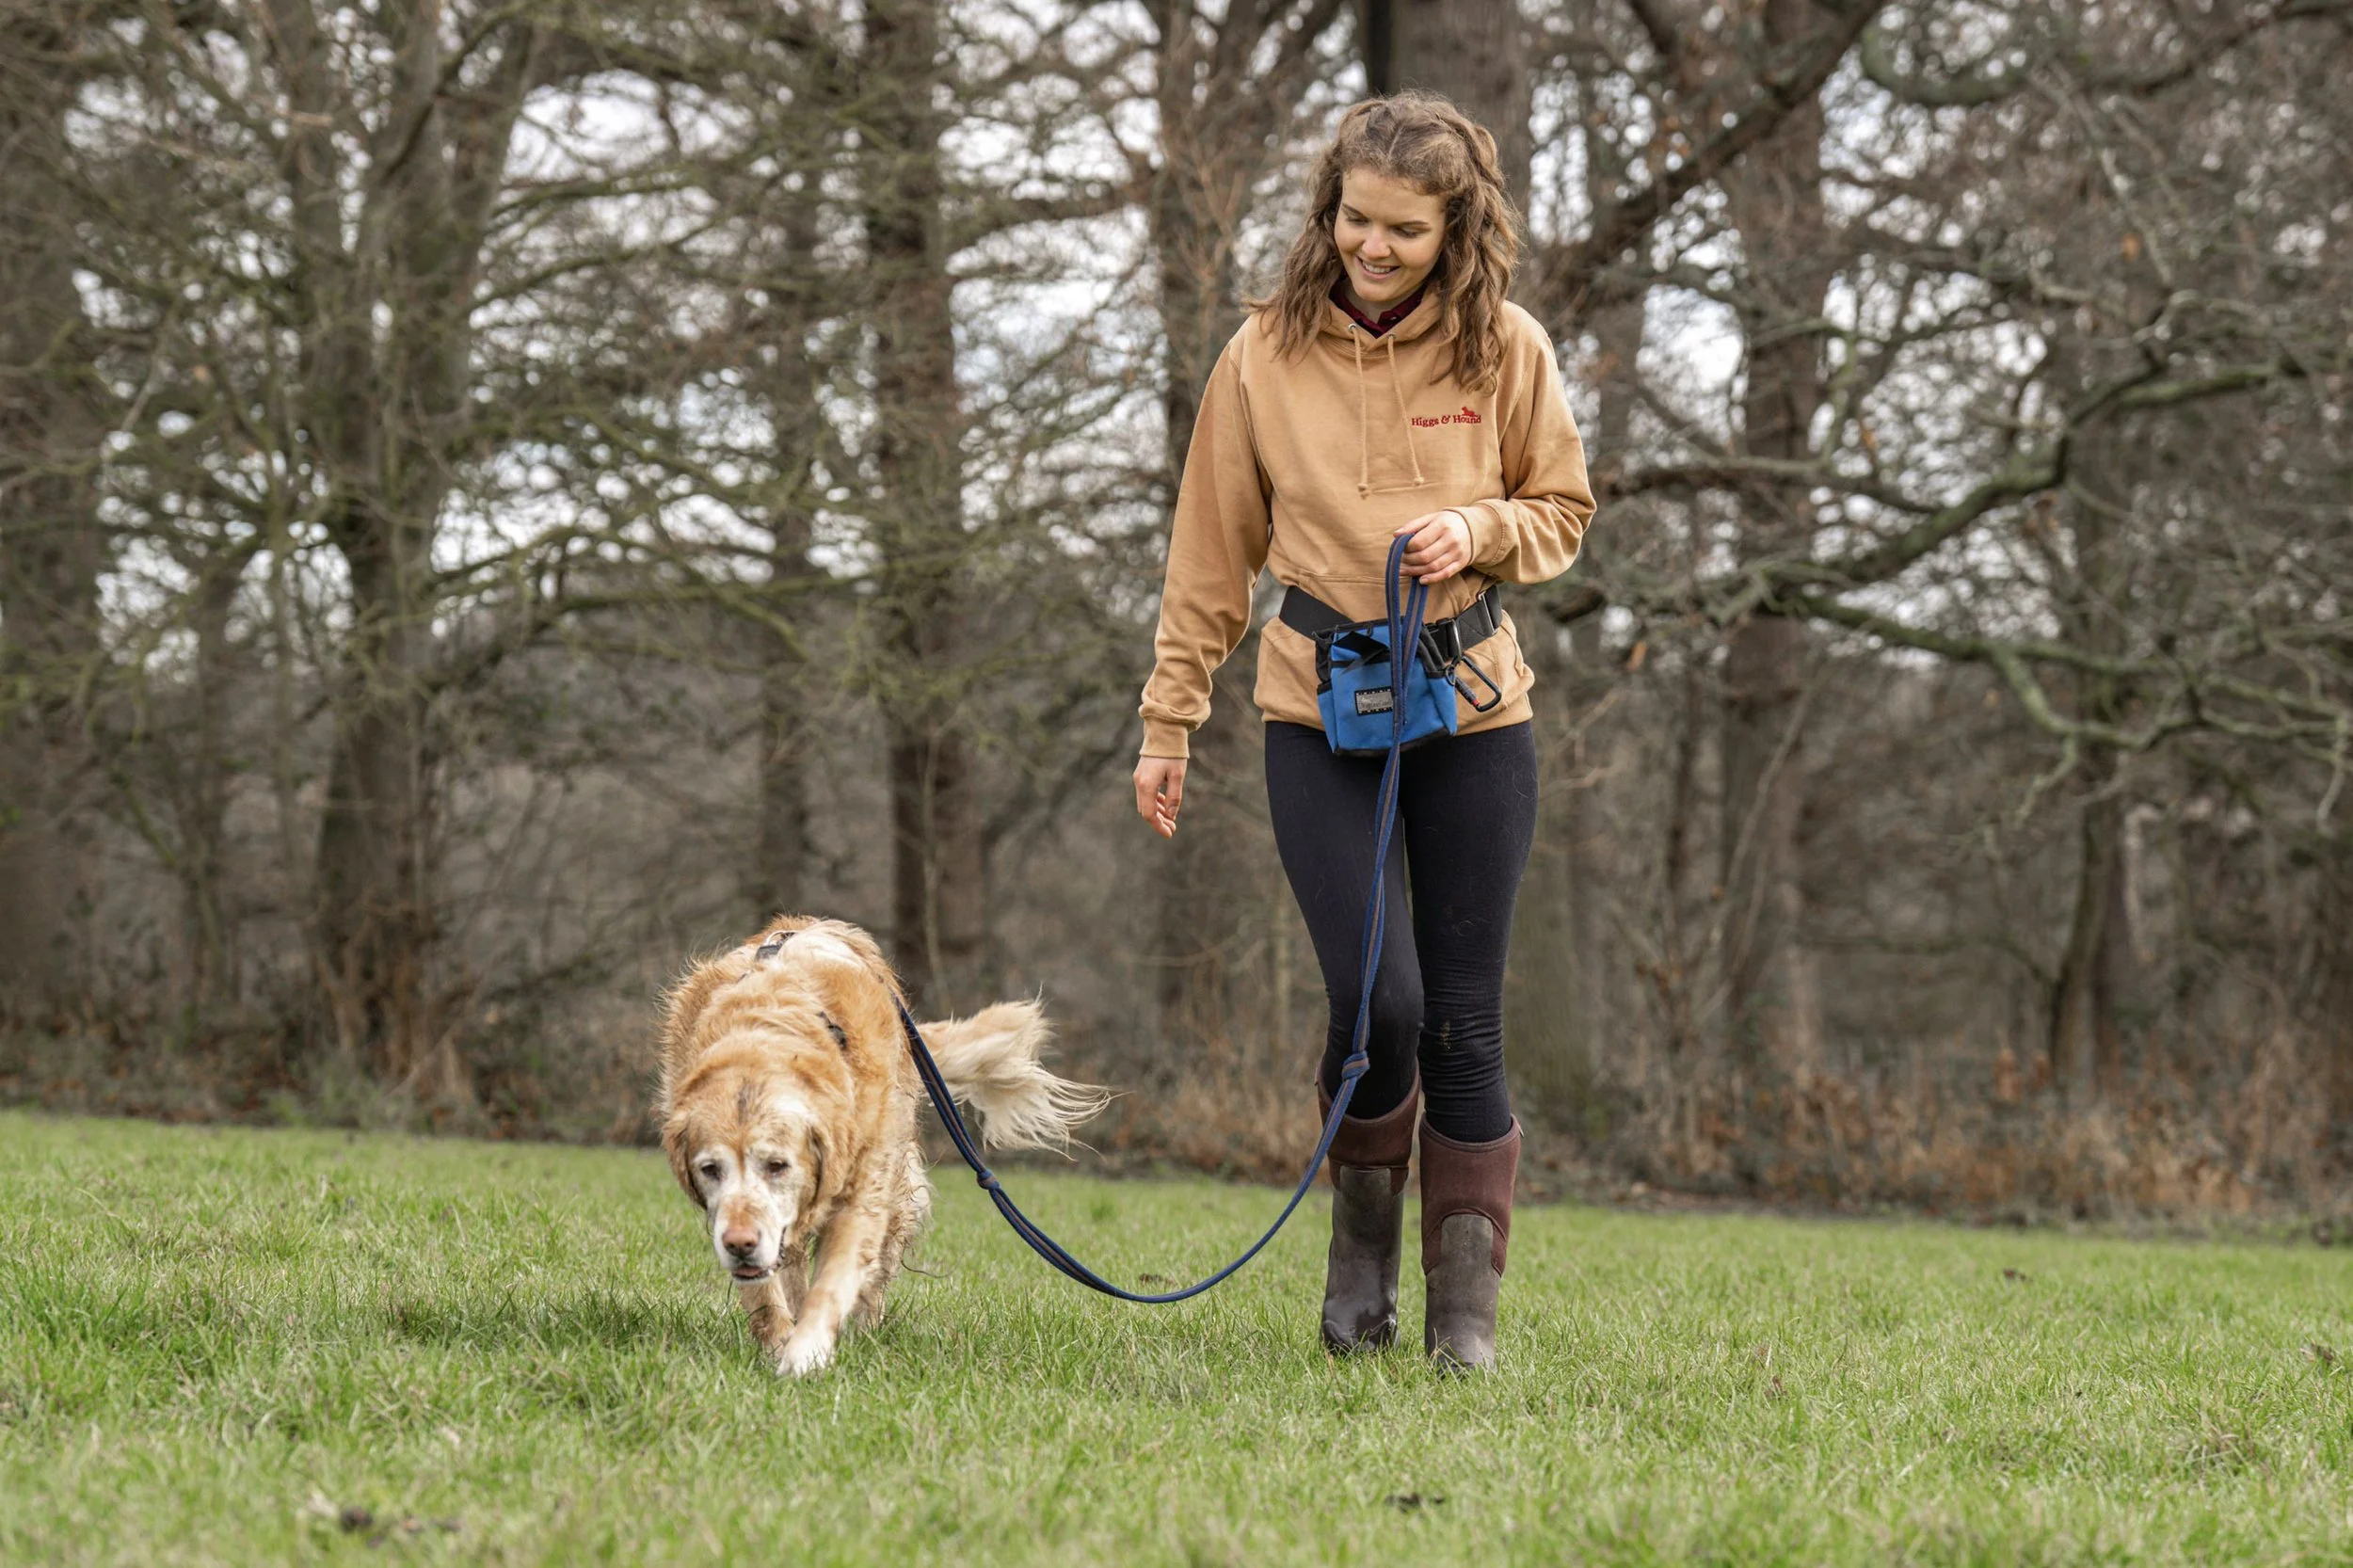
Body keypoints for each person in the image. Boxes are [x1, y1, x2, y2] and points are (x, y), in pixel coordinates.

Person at [1130, 92, 1595, 1370]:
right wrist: (1170, 720)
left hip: (1476, 712)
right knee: (1374, 999)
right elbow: (1207, 559)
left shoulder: (1507, 350)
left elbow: (1561, 507)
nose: (1372, 247)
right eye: (1354, 219)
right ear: (1326, 210)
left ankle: (1463, 1319)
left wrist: (1483, 528)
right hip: (1315, 713)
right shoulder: (1260, 358)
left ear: (1456, 230)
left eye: (1402, 228)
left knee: (1464, 1018)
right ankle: (1359, 1249)